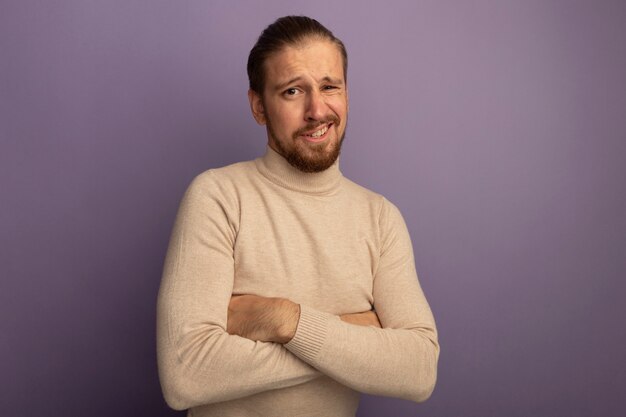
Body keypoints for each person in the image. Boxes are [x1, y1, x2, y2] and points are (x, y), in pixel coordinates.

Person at [157, 15, 439, 417]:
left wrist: (284, 321)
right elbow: (185, 375)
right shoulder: (218, 197)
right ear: (259, 106)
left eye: (330, 87)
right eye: (293, 91)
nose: (317, 109)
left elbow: (419, 369)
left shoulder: (380, 218)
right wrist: (353, 333)